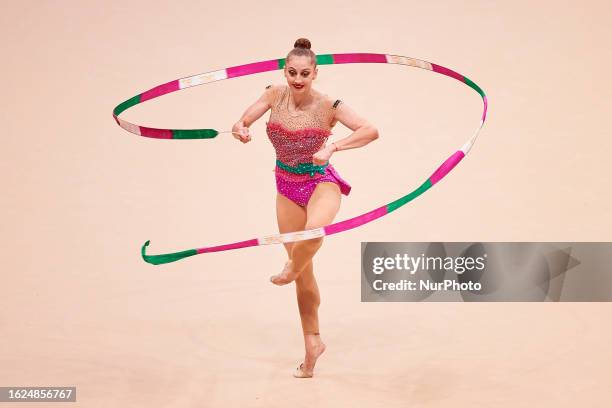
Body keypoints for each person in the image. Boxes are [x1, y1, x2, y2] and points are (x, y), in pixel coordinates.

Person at [231, 38, 379, 378]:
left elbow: (371, 130)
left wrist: (334, 147)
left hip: (320, 182)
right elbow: (244, 120)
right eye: (292, 72)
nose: (298, 79)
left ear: (315, 73)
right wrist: (240, 129)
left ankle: (290, 268)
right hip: (285, 185)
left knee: (310, 237)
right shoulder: (273, 94)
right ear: (285, 71)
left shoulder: (329, 104)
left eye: (305, 74)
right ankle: (312, 342)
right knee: (305, 272)